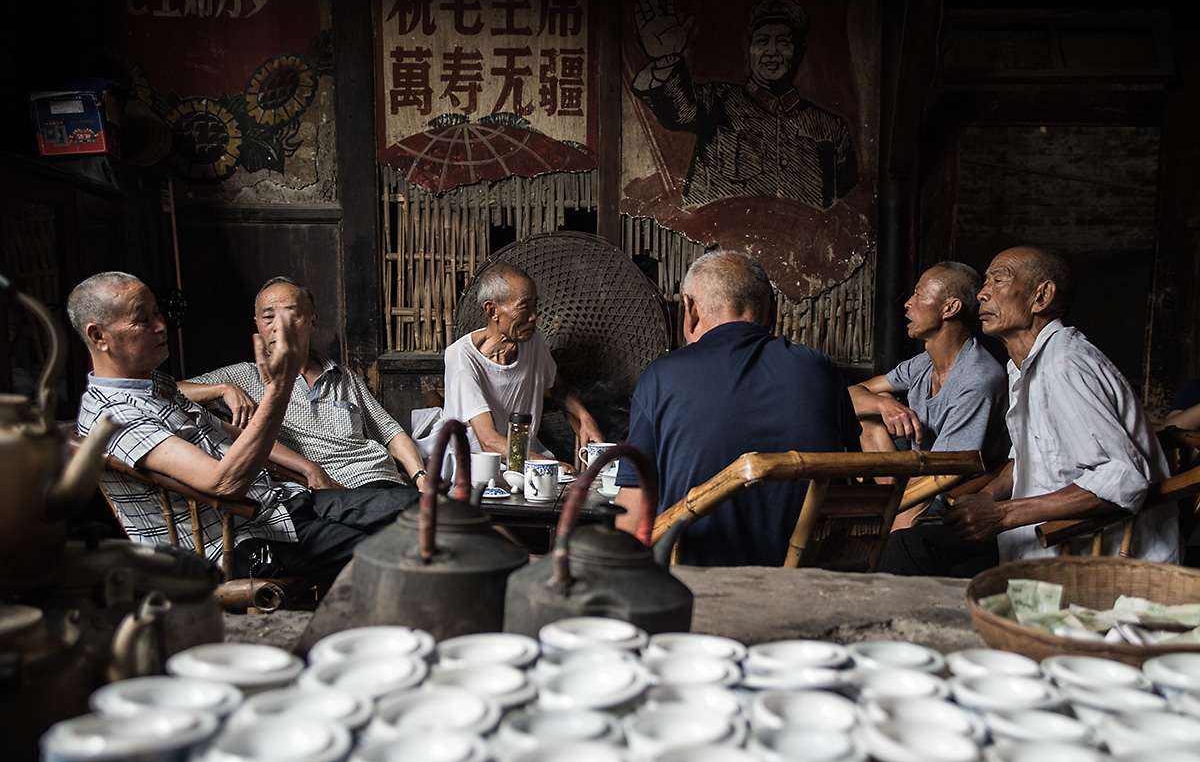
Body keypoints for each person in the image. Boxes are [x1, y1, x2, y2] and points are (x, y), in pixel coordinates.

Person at [69, 272, 419, 584]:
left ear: (312, 321)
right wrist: (278, 390)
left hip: (282, 503)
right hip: (236, 541)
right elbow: (223, 483)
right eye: (143, 320)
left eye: (158, 313)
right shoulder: (115, 416)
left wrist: (305, 466)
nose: (161, 326)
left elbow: (232, 432)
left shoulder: (156, 387)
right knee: (391, 555)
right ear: (99, 336)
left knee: (418, 508)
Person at [614, 250, 859, 566]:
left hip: (697, 581)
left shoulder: (662, 376)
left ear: (689, 310)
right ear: (771, 314)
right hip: (810, 578)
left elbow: (634, 512)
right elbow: (849, 461)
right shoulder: (821, 369)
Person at [943, 246, 1180, 563]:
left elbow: (1123, 477)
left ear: (1041, 297)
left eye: (997, 280)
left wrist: (1001, 515)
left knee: (911, 549)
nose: (982, 294)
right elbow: (1029, 457)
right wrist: (987, 495)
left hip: (1103, 562)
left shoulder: (1064, 366)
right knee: (919, 545)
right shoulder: (1026, 366)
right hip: (1046, 544)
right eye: (985, 283)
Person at [181, 277, 428, 490]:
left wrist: (420, 476)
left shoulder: (342, 376)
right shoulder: (243, 376)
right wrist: (224, 389)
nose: (280, 326)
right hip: (333, 490)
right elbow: (168, 390)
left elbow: (390, 432)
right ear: (257, 324)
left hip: (385, 480)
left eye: (292, 315)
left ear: (312, 322)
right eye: (269, 317)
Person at [851, 262, 1009, 577]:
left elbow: (941, 477)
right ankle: (891, 510)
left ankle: (890, 522)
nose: (908, 303)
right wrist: (883, 405)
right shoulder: (924, 363)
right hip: (914, 477)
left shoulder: (978, 379)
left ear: (950, 308)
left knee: (895, 547)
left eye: (920, 294)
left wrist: (896, 524)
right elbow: (850, 394)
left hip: (951, 496)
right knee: (868, 416)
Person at [632, 0, 857, 210]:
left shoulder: (831, 130)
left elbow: (846, 209)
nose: (772, 52)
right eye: (763, 41)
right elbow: (677, 112)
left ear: (799, 50)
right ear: (749, 48)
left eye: (783, 42)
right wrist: (666, 61)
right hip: (721, 246)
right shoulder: (714, 101)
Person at [442, 262, 603, 471]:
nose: (534, 315)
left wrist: (584, 416)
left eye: (535, 304)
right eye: (524, 306)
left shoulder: (533, 341)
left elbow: (558, 388)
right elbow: (488, 442)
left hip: (526, 460)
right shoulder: (463, 357)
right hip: (476, 470)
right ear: (492, 311)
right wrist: (552, 466)